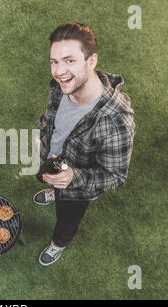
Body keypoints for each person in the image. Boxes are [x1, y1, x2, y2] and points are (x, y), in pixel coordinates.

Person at [34, 22, 135, 266]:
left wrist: (72, 179)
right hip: (54, 162)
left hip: (78, 187)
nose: (59, 71)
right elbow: (51, 117)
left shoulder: (117, 121)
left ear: (91, 62)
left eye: (69, 61)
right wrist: (41, 133)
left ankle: (59, 243)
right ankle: (55, 191)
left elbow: (115, 176)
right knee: (58, 189)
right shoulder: (62, 87)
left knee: (67, 217)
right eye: (54, 62)